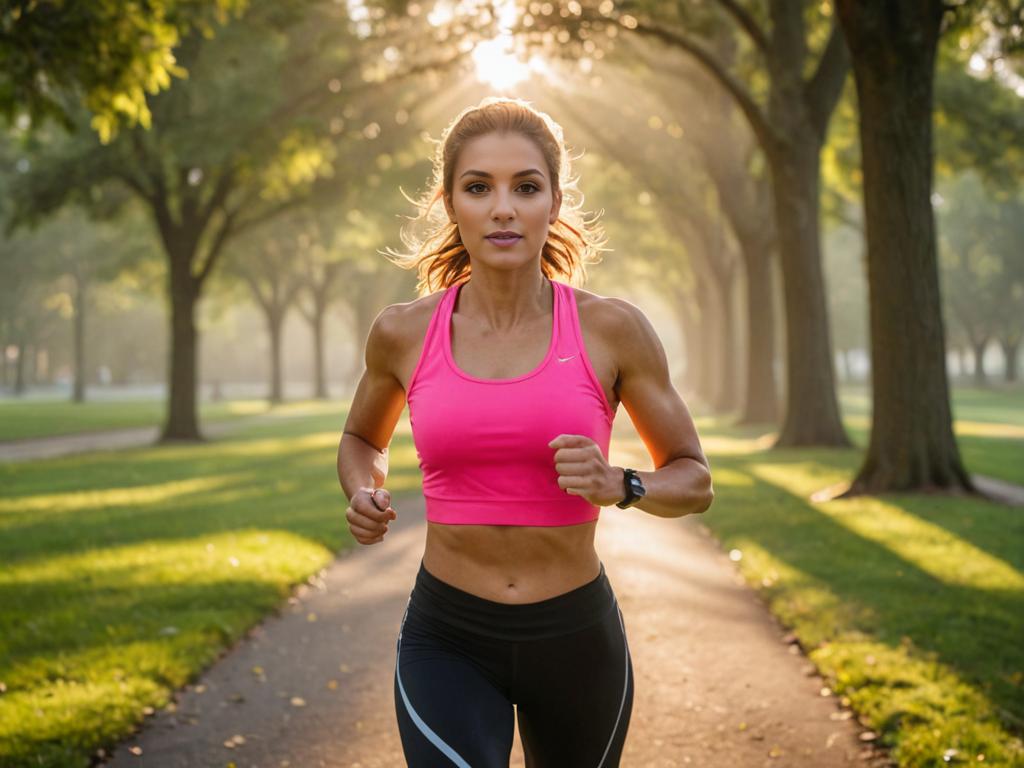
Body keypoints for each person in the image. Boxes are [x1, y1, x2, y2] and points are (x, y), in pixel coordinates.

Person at [337, 97, 713, 768]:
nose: (503, 207)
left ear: (555, 201)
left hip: (576, 641)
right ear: (451, 203)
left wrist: (620, 483)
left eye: (526, 187)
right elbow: (363, 441)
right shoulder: (403, 331)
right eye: (479, 187)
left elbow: (693, 478)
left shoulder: (611, 330)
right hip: (446, 638)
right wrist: (365, 489)